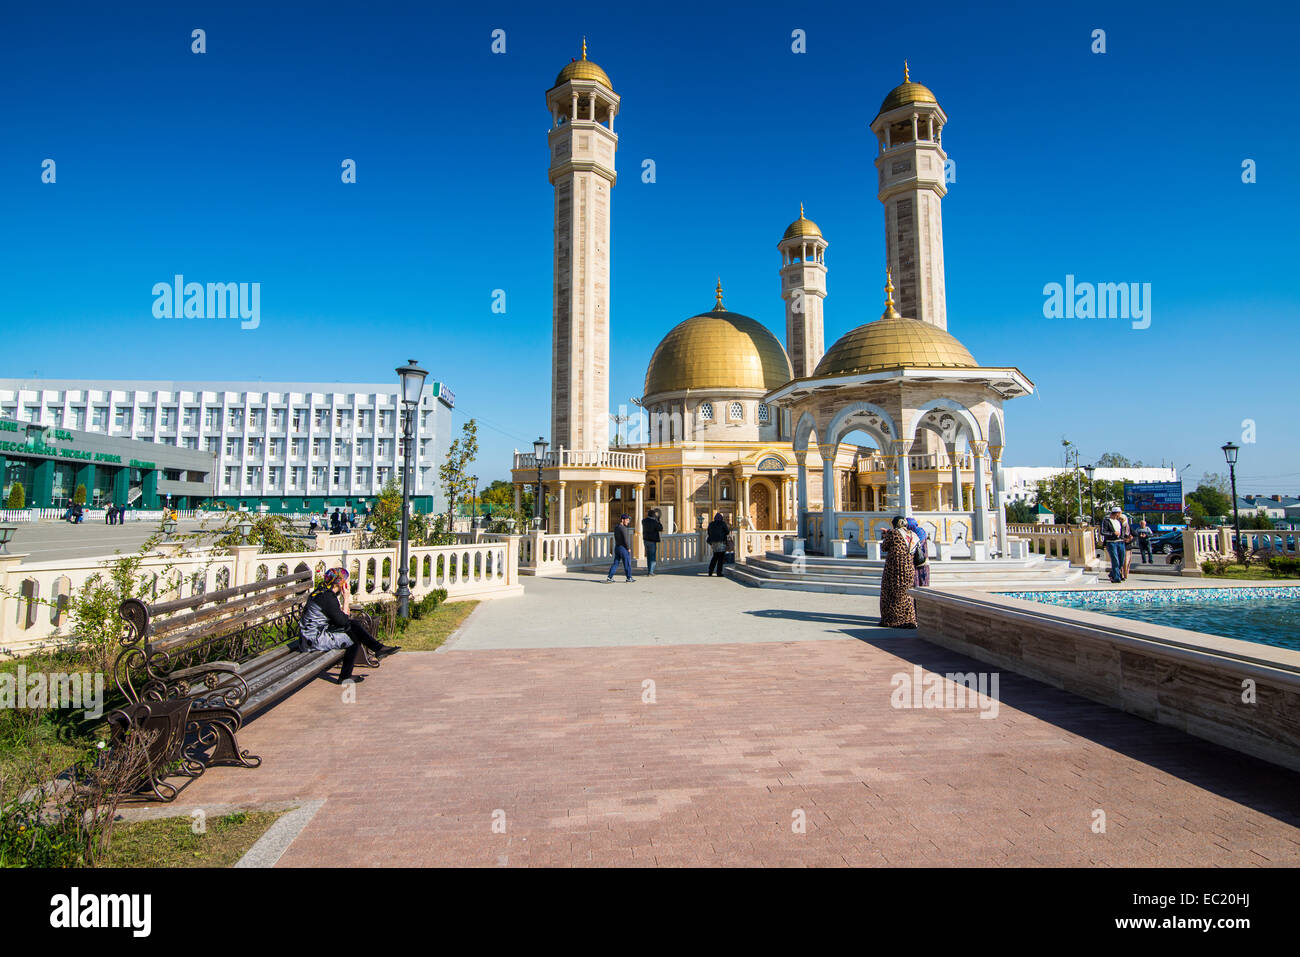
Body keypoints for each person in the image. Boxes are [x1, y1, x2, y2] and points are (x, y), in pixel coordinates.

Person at [297, 568, 400, 683]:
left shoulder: (322, 592)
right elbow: (343, 621)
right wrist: (346, 598)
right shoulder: (328, 598)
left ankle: (378, 649)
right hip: (313, 640)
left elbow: (340, 619)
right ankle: (347, 674)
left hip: (311, 635)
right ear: (341, 583)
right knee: (353, 638)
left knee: (353, 627)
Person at [880, 516, 919, 627]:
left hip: (894, 569)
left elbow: (884, 547)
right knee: (906, 595)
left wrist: (885, 535)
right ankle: (909, 620)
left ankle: (892, 620)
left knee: (891, 594)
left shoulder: (893, 533)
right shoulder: (912, 534)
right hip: (909, 569)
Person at [1099, 506, 1130, 584]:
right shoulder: (1106, 521)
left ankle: (1112, 574)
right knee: (1115, 560)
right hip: (1112, 542)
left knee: (1121, 560)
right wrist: (1113, 533)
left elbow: (1122, 531)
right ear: (1117, 513)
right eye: (1120, 513)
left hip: (1120, 542)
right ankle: (1116, 577)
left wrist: (1125, 537)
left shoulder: (1119, 521)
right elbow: (1103, 532)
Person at [606, 513, 636, 583]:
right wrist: (628, 548)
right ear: (623, 520)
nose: (628, 522)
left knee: (615, 563)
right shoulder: (623, 528)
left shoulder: (617, 527)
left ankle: (609, 577)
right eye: (627, 520)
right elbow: (625, 539)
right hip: (623, 548)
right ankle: (629, 577)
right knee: (627, 563)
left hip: (617, 547)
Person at [905, 517, 930, 588]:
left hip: (920, 560)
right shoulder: (917, 531)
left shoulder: (918, 532)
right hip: (918, 560)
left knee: (921, 581)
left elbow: (915, 544)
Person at [706, 512, 730, 577]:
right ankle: (719, 572)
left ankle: (710, 571)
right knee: (720, 558)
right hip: (721, 542)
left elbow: (708, 532)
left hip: (713, 542)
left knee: (715, 557)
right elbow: (727, 532)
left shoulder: (711, 524)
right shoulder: (722, 523)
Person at [641, 508, 663, 575]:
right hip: (652, 541)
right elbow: (660, 528)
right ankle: (651, 572)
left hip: (645, 540)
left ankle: (649, 570)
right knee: (652, 557)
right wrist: (658, 519)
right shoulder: (654, 522)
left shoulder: (643, 521)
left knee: (648, 556)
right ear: (653, 515)